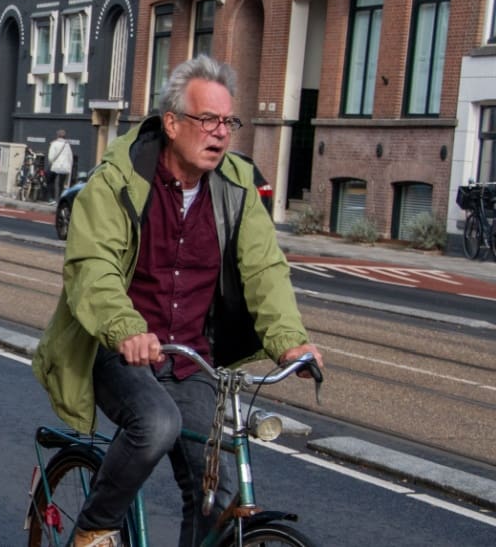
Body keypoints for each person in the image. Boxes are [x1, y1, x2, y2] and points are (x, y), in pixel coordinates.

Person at [32, 56, 322, 547]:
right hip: (120, 351)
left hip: (192, 361)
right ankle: (92, 529)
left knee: (219, 494)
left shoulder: (236, 188)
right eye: (207, 120)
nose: (221, 133)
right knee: (156, 423)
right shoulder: (118, 180)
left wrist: (290, 342)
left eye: (228, 121)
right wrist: (125, 329)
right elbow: (93, 267)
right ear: (171, 123)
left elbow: (264, 269)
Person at [46, 129, 74, 203]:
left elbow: (51, 157)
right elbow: (70, 157)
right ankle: (60, 200)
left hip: (55, 166)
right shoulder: (67, 145)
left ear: (57, 135)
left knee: (50, 181)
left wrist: (51, 162)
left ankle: (51, 199)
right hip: (64, 167)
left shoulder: (54, 144)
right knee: (61, 184)